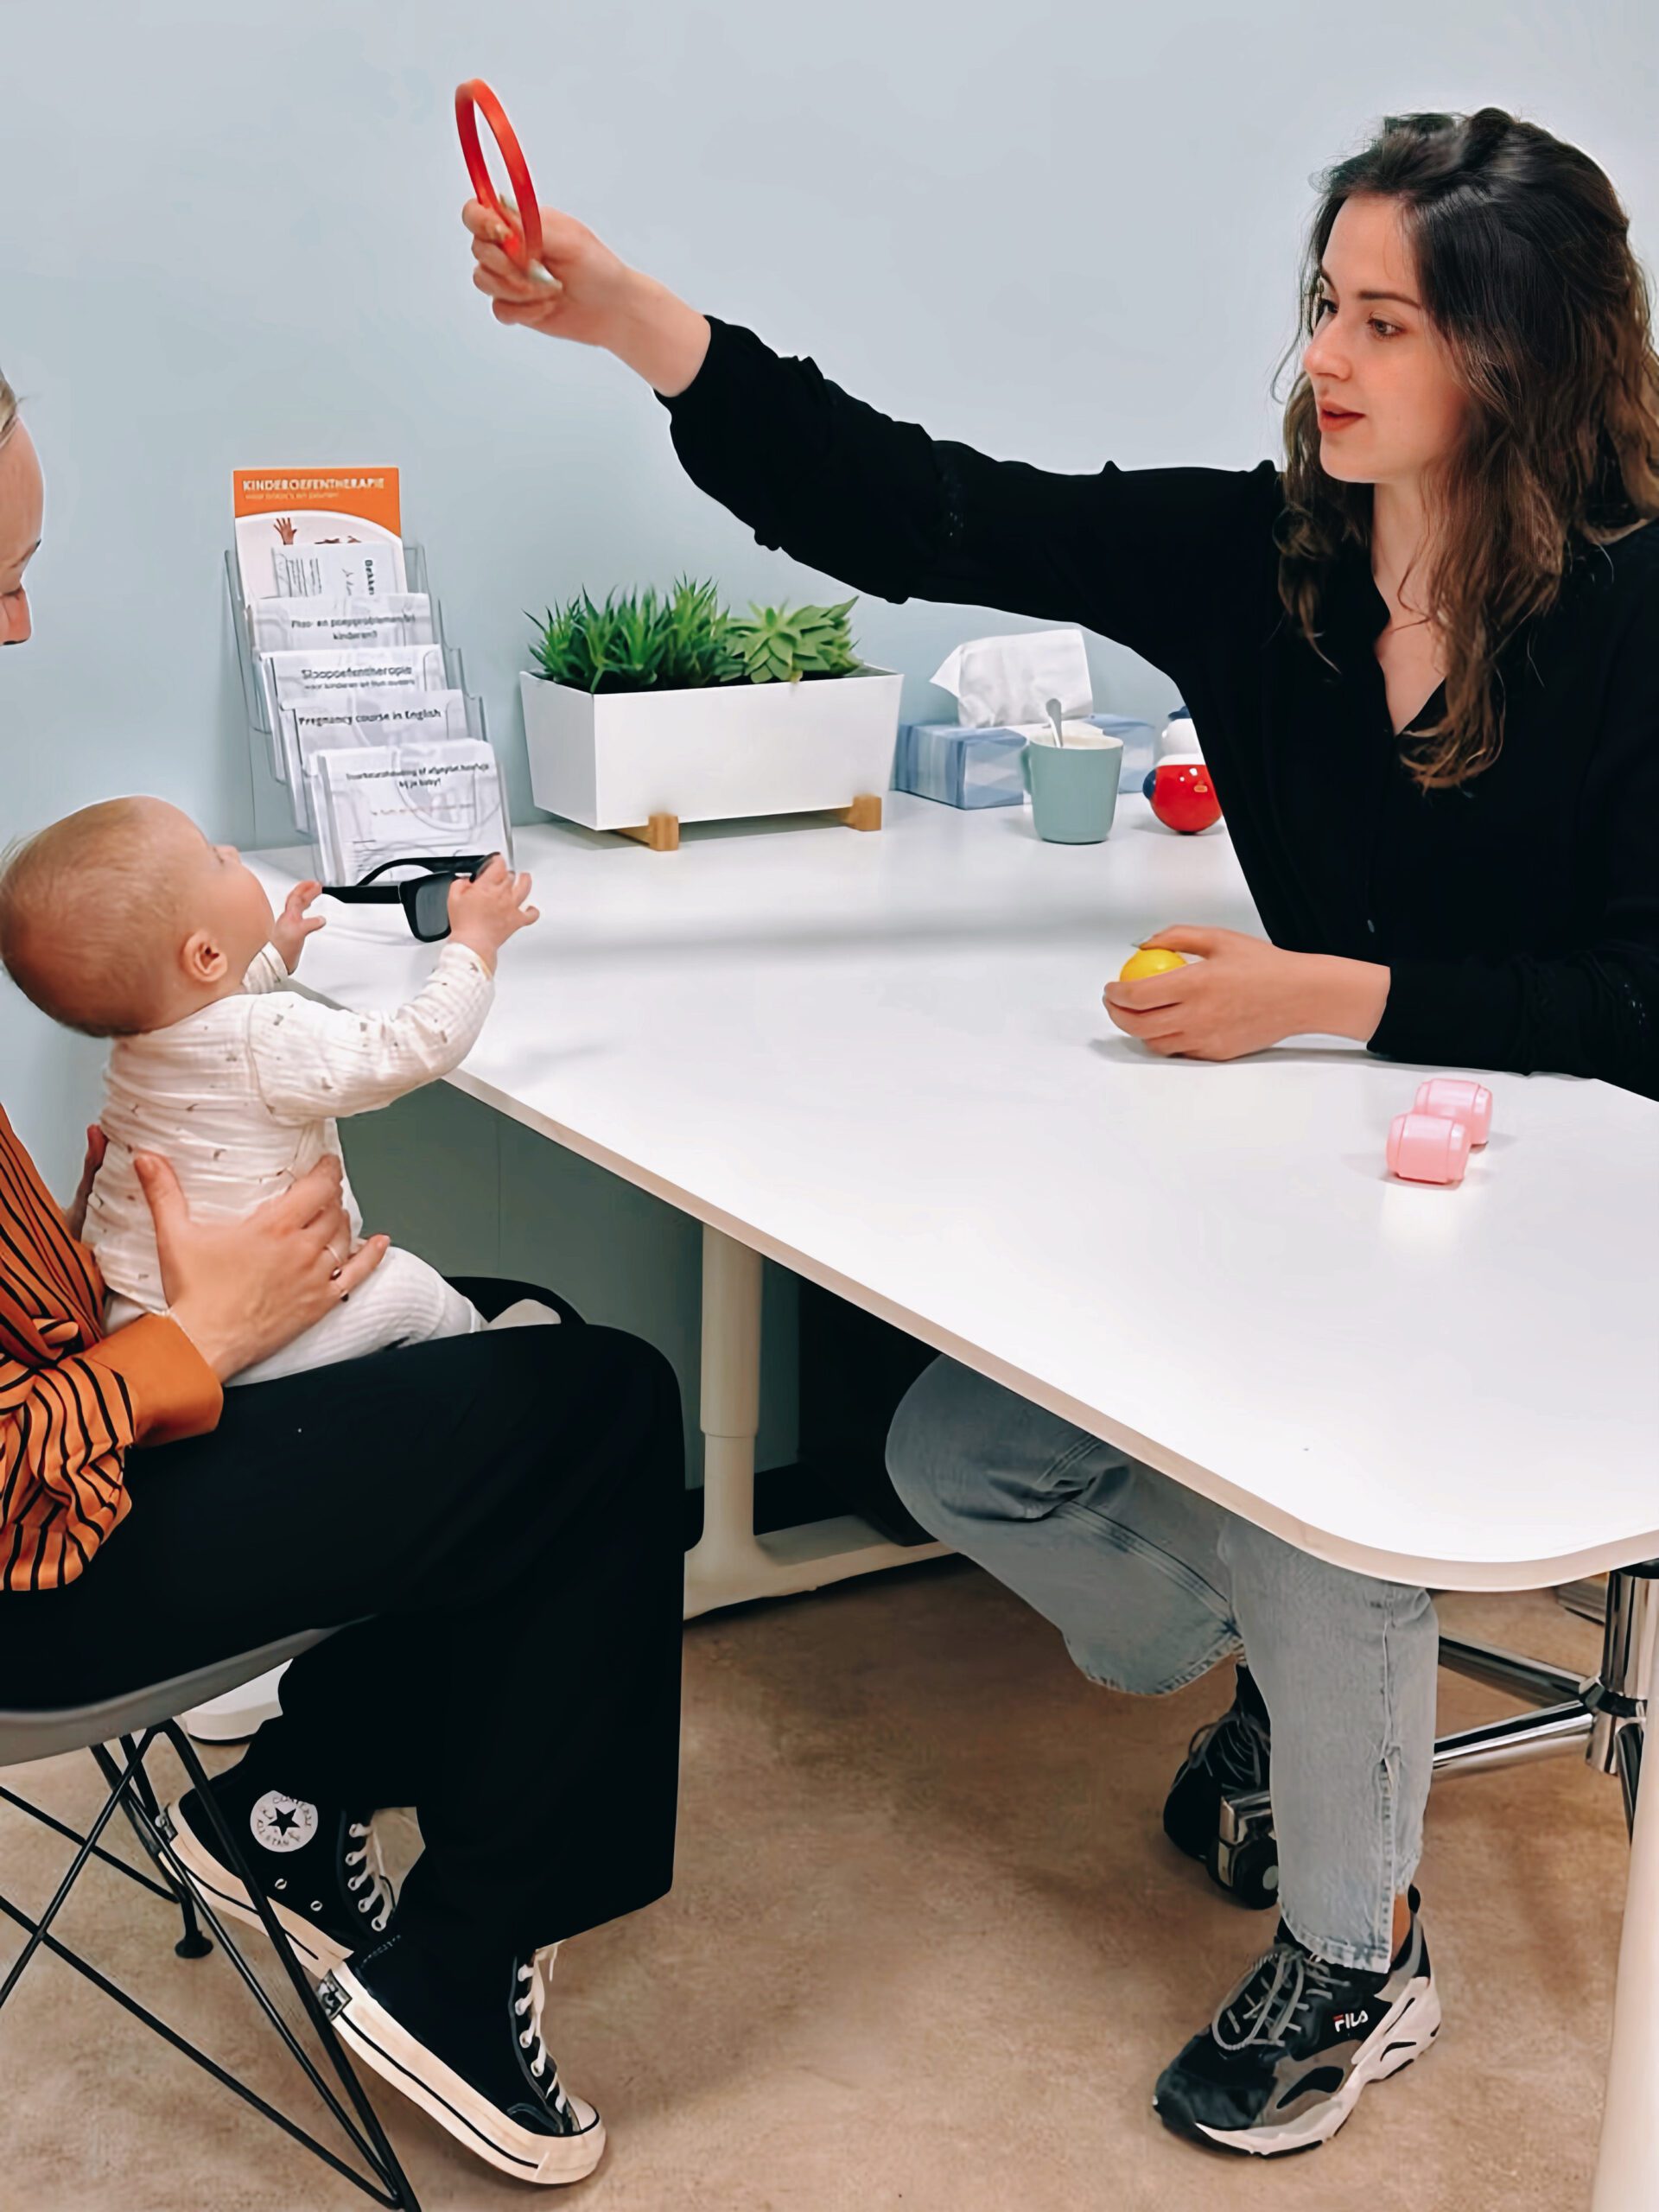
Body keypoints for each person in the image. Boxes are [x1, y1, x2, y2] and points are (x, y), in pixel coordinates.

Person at [462, 104, 1659, 2156]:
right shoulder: (1273, 558)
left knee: (1318, 1498)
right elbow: (930, 506)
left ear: (1518, 356)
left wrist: (1323, 999)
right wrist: (640, 323)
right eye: (1326, 305)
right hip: (1329, 1171)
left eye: (1384, 323)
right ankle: (1308, 1686)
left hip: (1566, 1202)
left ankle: (1360, 1947)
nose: (1324, 357)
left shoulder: (1635, 616)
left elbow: (1643, 999)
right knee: (964, 1453)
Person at [0, 371, 685, 2186]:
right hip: (47, 1548)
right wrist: (180, 1341)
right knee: (603, 1408)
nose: (22, 624)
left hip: (93, 1420)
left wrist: (125, 1269)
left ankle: (293, 1808)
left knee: (528, 1351)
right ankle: (454, 1968)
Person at [0, 796, 559, 1383]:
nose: (230, 850)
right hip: (255, 1340)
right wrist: (473, 945)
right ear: (207, 955)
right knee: (407, 1285)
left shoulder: (141, 1045)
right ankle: (487, 1349)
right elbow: (413, 1046)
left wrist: (269, 956)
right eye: (215, 859)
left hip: (135, 1320)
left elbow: (210, 1014)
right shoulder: (267, 1035)